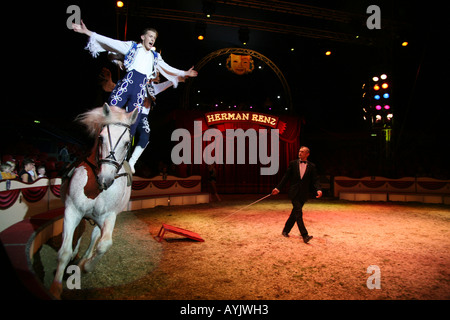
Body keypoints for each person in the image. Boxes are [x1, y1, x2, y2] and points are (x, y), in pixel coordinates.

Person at [72, 21, 198, 173]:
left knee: (132, 127)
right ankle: (98, 149)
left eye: (155, 38)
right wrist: (87, 32)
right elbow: (111, 42)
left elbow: (168, 68)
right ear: (143, 37)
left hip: (138, 92)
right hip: (126, 86)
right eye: (150, 36)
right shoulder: (132, 47)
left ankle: (123, 159)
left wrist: (184, 73)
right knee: (108, 114)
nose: (152, 39)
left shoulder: (155, 57)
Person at [272, 146, 322, 244]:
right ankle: (305, 235)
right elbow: (286, 177)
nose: (300, 153)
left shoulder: (312, 166)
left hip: (303, 194)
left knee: (294, 213)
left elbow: (315, 179)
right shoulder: (293, 164)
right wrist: (278, 188)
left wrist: (319, 189)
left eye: (302, 152)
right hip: (294, 192)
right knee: (298, 213)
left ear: (307, 154)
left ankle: (285, 230)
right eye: (299, 151)